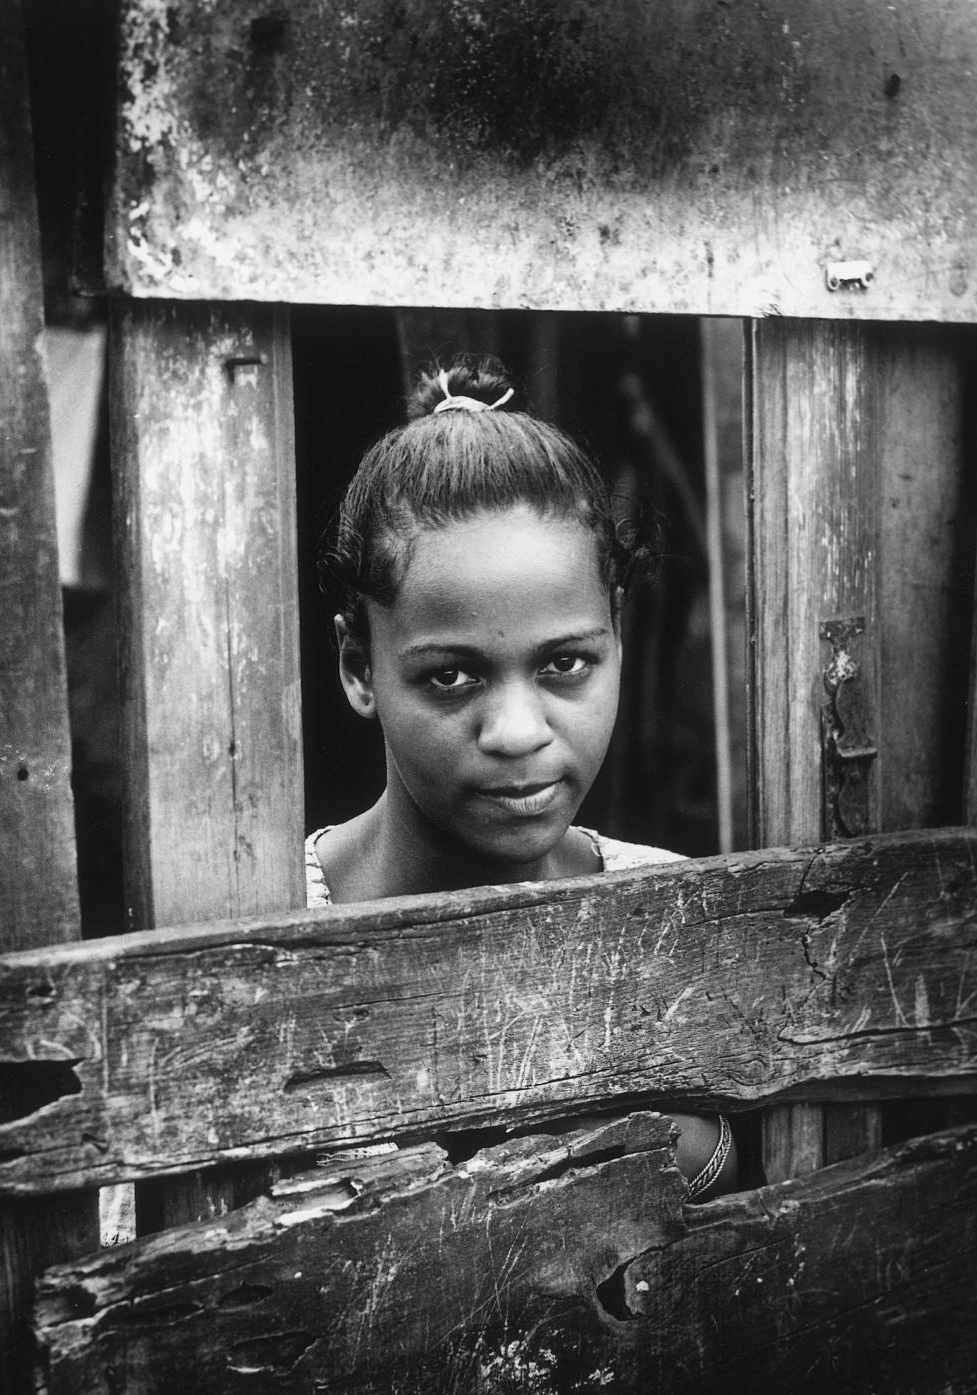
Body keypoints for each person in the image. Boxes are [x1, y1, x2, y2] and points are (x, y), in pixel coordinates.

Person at [308, 357, 735, 1202]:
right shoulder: (259, 929)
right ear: (361, 666)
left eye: (567, 663)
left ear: (616, 638)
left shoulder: (685, 913)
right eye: (453, 676)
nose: (518, 732)